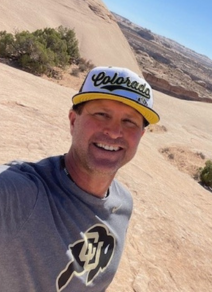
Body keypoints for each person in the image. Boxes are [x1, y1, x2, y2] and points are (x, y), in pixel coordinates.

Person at [0, 66, 160, 292]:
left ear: (140, 136)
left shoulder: (123, 203)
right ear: (74, 121)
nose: (114, 132)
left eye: (130, 122)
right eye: (102, 114)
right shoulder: (22, 193)